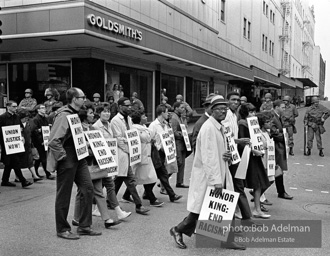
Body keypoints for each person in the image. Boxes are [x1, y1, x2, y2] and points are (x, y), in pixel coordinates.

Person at [169, 96, 246, 250]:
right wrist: (215, 180)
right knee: (202, 209)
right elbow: (209, 157)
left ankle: (227, 239)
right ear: (211, 110)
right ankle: (178, 229)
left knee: (225, 205)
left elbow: (217, 151)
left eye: (225, 109)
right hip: (211, 175)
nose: (223, 111)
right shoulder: (209, 127)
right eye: (219, 109)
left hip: (220, 171)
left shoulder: (218, 126)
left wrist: (226, 156)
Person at [48, 87, 101, 240]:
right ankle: (62, 228)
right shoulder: (64, 115)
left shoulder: (74, 114)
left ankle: (84, 225)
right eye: (82, 97)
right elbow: (53, 140)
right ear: (74, 99)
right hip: (68, 155)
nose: (84, 99)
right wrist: (63, 156)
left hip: (79, 155)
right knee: (63, 193)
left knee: (88, 188)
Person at [72, 104, 125, 229]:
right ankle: (76, 218)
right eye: (90, 113)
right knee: (82, 192)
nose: (92, 115)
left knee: (98, 191)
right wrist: (91, 148)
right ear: (84, 114)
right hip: (82, 165)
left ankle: (107, 219)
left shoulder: (92, 129)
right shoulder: (78, 129)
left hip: (94, 164)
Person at [110, 97, 150, 215]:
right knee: (130, 179)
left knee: (119, 178)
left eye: (129, 105)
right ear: (120, 107)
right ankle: (139, 205)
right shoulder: (115, 120)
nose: (129, 107)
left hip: (128, 152)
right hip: (122, 152)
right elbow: (118, 139)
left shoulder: (128, 119)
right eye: (126, 106)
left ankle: (108, 200)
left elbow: (132, 135)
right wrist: (129, 147)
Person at [91, 104, 132, 219]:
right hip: (100, 161)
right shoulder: (95, 127)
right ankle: (117, 212)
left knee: (106, 185)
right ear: (98, 113)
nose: (107, 114)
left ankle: (101, 209)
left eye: (108, 111)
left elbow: (114, 140)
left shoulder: (109, 125)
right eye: (104, 111)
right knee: (105, 185)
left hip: (109, 159)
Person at [222, 92, 254, 223]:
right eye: (233, 100)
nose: (236, 102)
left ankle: (246, 216)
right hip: (228, 155)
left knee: (238, 186)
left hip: (234, 155)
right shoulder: (226, 115)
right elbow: (225, 137)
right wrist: (239, 141)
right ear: (228, 101)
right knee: (233, 186)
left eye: (238, 100)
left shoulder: (235, 115)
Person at [122, 111, 164, 207]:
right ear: (139, 119)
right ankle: (151, 198)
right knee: (148, 178)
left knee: (140, 177)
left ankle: (126, 195)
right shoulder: (135, 129)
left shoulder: (144, 128)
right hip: (141, 156)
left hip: (147, 155)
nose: (146, 117)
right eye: (144, 116)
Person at [237, 103, 270, 218]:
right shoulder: (242, 124)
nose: (253, 114)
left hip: (254, 156)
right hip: (247, 157)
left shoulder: (252, 124)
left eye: (254, 112)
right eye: (250, 112)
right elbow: (242, 143)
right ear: (245, 113)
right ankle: (238, 210)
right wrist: (254, 150)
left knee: (258, 182)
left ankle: (257, 209)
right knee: (240, 184)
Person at [149, 104, 183, 202]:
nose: (168, 114)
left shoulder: (165, 124)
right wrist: (159, 148)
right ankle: (172, 195)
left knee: (158, 174)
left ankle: (146, 192)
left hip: (165, 153)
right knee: (162, 174)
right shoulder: (153, 125)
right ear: (162, 113)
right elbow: (151, 139)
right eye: (167, 112)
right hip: (157, 153)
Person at [0, 101, 33, 188]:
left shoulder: (17, 117)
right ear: (8, 107)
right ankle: (23, 181)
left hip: (15, 143)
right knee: (15, 162)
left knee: (10, 163)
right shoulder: (2, 117)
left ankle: (5, 180)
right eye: (14, 106)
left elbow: (20, 127)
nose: (16, 108)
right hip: (7, 144)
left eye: (16, 106)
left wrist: (21, 136)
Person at [270, 100, 293, 200]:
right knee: (277, 170)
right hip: (275, 147)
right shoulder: (272, 116)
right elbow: (272, 132)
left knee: (276, 170)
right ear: (276, 107)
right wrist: (281, 135)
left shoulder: (278, 116)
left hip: (279, 146)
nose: (284, 109)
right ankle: (281, 192)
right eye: (282, 107)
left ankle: (259, 192)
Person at [17, 108, 42, 182]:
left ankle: (35, 176)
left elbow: (32, 133)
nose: (26, 119)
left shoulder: (28, 124)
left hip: (28, 145)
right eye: (25, 118)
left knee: (30, 161)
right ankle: (17, 176)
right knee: (18, 162)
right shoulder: (17, 124)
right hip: (20, 145)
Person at [31, 104, 56, 179]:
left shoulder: (45, 118)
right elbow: (35, 132)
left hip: (44, 140)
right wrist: (40, 141)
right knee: (43, 158)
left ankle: (34, 173)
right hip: (39, 142)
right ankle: (48, 174)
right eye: (42, 108)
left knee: (39, 159)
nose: (44, 109)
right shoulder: (36, 119)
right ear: (38, 110)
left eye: (44, 108)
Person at [171, 102, 189, 188]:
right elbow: (173, 132)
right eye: (181, 107)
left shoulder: (181, 117)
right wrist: (182, 134)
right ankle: (164, 181)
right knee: (178, 162)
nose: (184, 109)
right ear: (176, 108)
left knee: (182, 163)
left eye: (184, 108)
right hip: (177, 142)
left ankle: (180, 181)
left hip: (182, 142)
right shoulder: (174, 118)